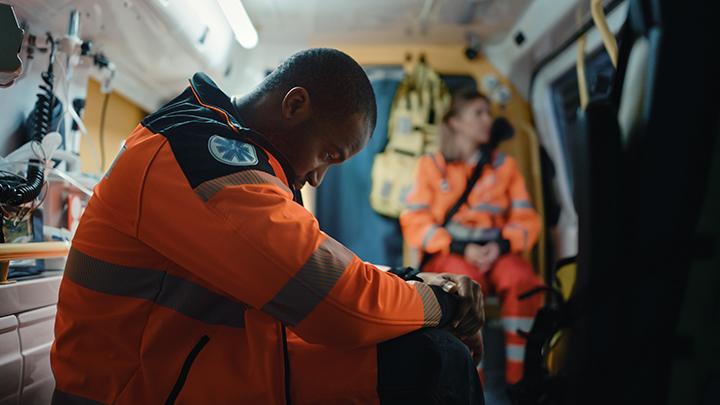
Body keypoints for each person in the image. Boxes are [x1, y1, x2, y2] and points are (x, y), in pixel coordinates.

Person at [50, 48, 486, 404]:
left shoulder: (240, 155)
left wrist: (413, 282)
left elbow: (316, 265)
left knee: (429, 356)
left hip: (206, 367)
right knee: (435, 361)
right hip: (135, 391)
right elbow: (334, 301)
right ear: (295, 105)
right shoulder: (194, 151)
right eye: (329, 154)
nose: (318, 177)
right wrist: (442, 304)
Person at [400, 88, 545, 385]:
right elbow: (415, 220)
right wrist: (458, 246)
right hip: (452, 251)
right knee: (462, 283)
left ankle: (523, 383)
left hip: (498, 251)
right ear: (455, 121)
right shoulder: (433, 166)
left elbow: (527, 219)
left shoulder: (504, 165)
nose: (487, 120)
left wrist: (502, 245)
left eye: (488, 113)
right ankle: (471, 384)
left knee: (523, 281)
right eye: (478, 113)